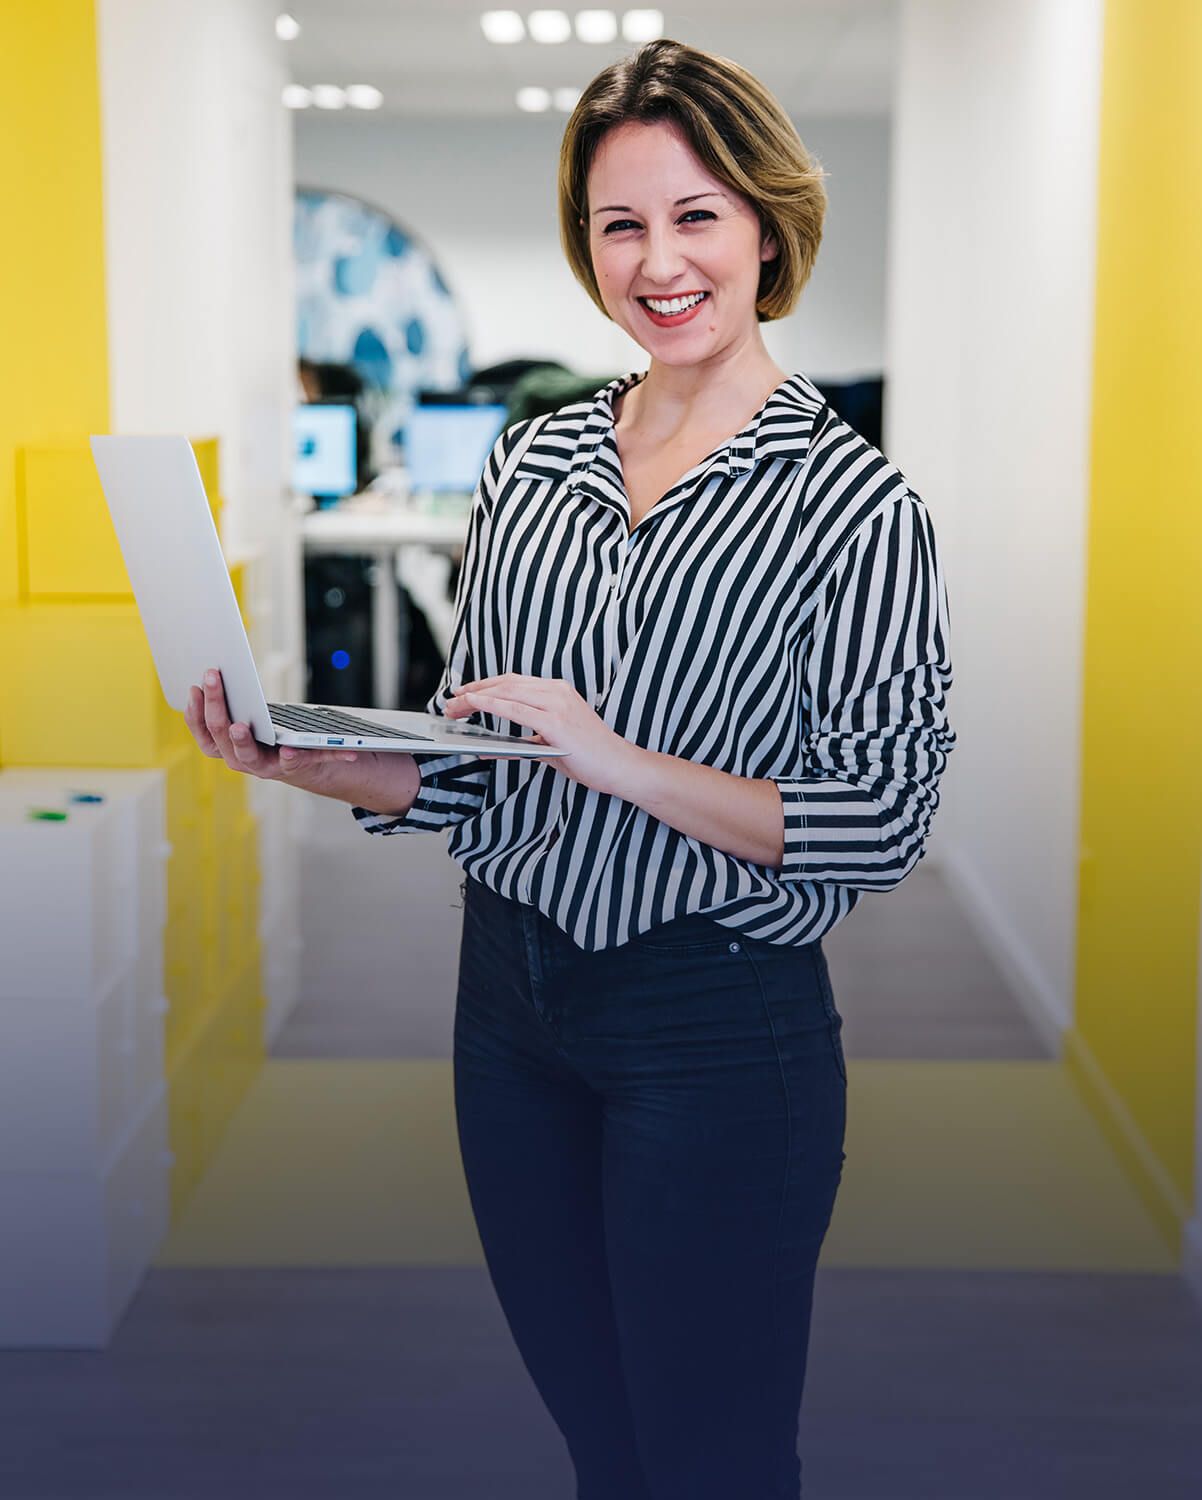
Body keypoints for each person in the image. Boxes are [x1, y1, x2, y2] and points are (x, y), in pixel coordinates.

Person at [186, 37, 957, 1500]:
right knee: (602, 1449)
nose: (657, 262)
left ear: (767, 226)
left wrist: (620, 761)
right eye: (620, 224)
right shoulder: (529, 464)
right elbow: (482, 775)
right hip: (512, 1009)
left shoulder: (854, 503)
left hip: (715, 1025)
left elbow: (878, 821)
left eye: (694, 216)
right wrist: (299, 759)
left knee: (712, 1458)